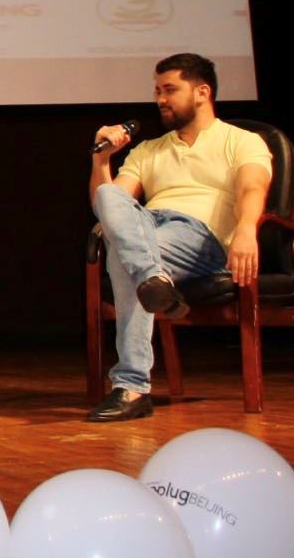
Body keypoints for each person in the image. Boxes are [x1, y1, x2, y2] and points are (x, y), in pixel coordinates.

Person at [87, 53, 272, 422]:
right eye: (157, 91)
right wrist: (102, 160)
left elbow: (252, 188)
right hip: (148, 228)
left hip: (200, 236)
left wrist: (247, 228)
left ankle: (132, 386)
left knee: (123, 255)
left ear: (202, 92)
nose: (160, 99)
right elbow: (110, 207)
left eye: (170, 90)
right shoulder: (148, 150)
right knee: (108, 195)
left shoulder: (242, 141)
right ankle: (153, 281)